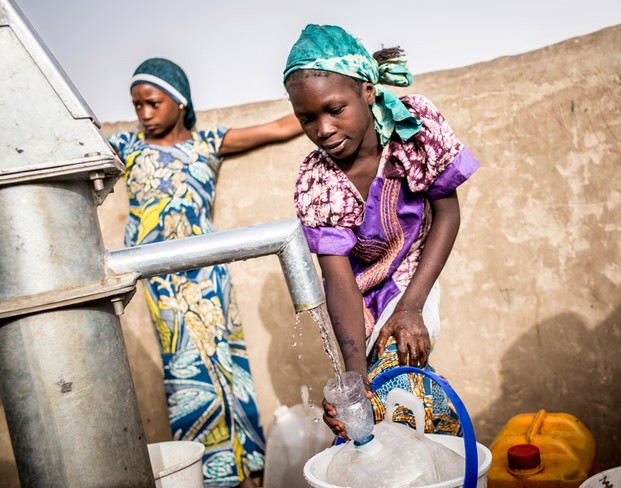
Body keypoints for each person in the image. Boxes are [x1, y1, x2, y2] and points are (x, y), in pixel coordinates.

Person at [108, 57, 302, 488]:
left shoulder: (207, 143)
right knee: (187, 372)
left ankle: (249, 467)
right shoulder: (126, 147)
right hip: (162, 286)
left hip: (209, 279)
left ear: (180, 102)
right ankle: (209, 476)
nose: (144, 113)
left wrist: (360, 85)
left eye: (153, 103)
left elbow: (280, 127)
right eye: (137, 105)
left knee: (231, 366)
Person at [282, 25, 480, 439]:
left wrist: (412, 307)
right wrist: (354, 382)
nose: (323, 129)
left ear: (368, 91)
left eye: (335, 109)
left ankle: (452, 461)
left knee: (401, 378)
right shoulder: (317, 180)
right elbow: (337, 278)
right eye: (307, 118)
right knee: (368, 406)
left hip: (412, 275)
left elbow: (446, 213)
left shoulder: (413, 130)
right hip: (358, 298)